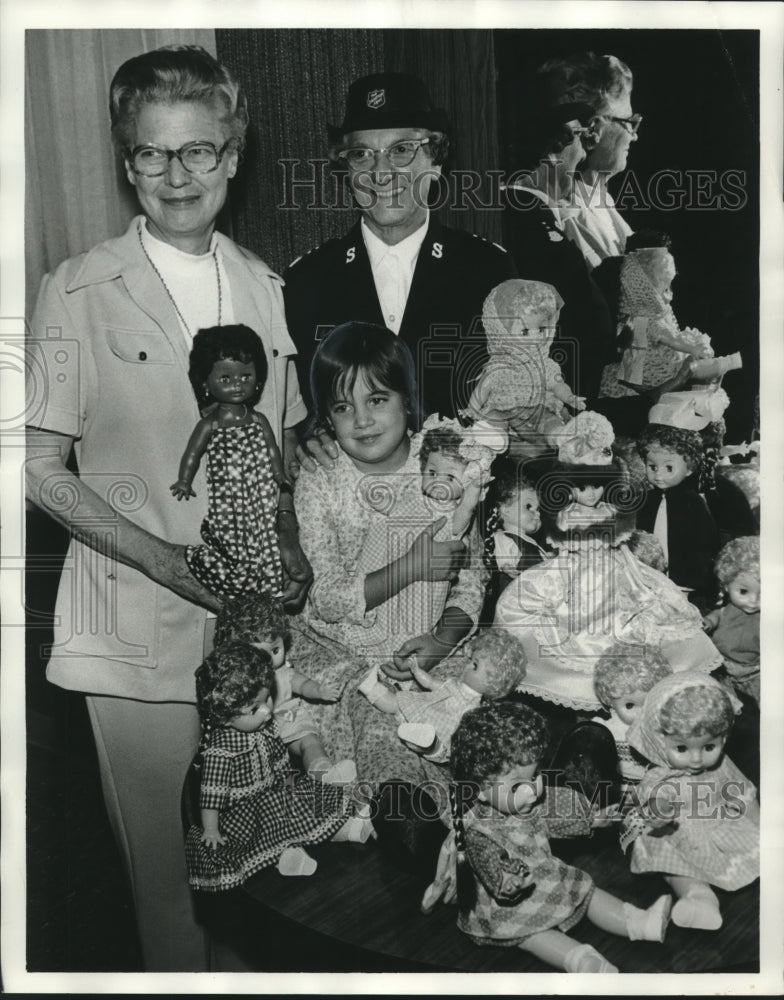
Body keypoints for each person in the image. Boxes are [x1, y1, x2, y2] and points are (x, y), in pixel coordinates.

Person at [24, 45, 311, 971]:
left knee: (256, 858)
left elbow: (290, 460)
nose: (177, 174)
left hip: (255, 629)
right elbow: (37, 466)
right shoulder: (75, 288)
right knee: (164, 874)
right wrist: (164, 561)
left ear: (233, 155)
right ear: (126, 163)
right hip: (128, 620)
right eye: (152, 154)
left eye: (198, 151)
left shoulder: (270, 291)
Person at [290, 322, 486, 866]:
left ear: (408, 400)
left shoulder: (442, 464)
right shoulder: (322, 478)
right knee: (378, 725)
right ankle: (403, 814)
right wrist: (412, 566)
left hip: (427, 643)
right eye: (342, 408)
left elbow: (472, 574)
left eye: (377, 399)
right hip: (346, 647)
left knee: (468, 721)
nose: (362, 420)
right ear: (325, 417)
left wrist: (443, 638)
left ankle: (490, 820)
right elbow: (326, 597)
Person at [283, 71, 516, 426]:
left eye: (402, 150)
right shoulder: (306, 280)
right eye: (361, 154)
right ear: (346, 169)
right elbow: (294, 413)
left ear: (436, 162)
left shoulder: (487, 271)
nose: (381, 172)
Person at [447, 701, 672, 973]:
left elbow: (559, 816)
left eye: (536, 775)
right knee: (533, 935)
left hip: (548, 874)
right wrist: (506, 881)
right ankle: (581, 961)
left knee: (588, 891)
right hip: (509, 903)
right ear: (479, 790)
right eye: (518, 786)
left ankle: (639, 922)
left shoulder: (531, 802)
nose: (533, 790)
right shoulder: (479, 829)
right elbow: (488, 859)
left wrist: (593, 818)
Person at [184, 642, 369, 890]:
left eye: (267, 699)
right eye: (254, 708)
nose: (267, 711)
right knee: (267, 833)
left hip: (275, 789)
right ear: (223, 716)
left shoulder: (264, 724)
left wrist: (287, 781)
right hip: (246, 809)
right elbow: (211, 794)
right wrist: (210, 828)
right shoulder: (221, 750)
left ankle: (347, 829)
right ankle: (286, 858)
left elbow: (278, 756)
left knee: (306, 808)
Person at [623, 672, 759, 930]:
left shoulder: (722, 766)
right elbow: (651, 797)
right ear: (658, 743)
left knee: (759, 846)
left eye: (709, 747)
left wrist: (761, 824)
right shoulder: (661, 776)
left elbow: (743, 795)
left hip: (716, 825)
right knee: (676, 869)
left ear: (724, 738)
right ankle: (698, 897)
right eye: (682, 749)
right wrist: (659, 809)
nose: (696, 759)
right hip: (675, 834)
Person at [501, 95, 614, 402]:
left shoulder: (536, 214)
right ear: (550, 151)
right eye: (579, 140)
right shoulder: (522, 216)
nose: (584, 155)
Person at [171, 324, 288, 600]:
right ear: (205, 382)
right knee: (230, 536)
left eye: (246, 376)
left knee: (262, 534)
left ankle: (265, 583)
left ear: (258, 378)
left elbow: (272, 448)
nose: (238, 384)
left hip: (259, 489)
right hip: (228, 492)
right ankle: (233, 579)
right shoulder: (211, 423)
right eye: (226, 378)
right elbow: (193, 453)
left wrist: (279, 474)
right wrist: (184, 480)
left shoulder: (258, 419)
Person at [214, 592, 355, 780]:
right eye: (258, 654)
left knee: (310, 742)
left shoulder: (281, 672)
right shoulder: (238, 680)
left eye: (275, 650)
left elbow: (302, 684)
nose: (269, 660)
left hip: (286, 716)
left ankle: (324, 773)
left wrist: (319, 690)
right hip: (254, 725)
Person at [358, 628, 527, 764]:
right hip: (426, 708)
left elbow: (464, 734)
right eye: (470, 660)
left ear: (493, 683)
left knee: (435, 743)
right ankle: (370, 687)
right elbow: (430, 683)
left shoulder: (473, 710)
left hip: (441, 731)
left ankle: (427, 744)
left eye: (474, 666)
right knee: (397, 702)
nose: (467, 666)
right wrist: (417, 671)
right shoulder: (455, 684)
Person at [535, 52, 639, 268]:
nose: (634, 134)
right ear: (594, 130)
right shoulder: (568, 218)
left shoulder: (601, 203)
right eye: (628, 122)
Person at [462, 278, 585, 453]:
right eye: (525, 331)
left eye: (541, 329)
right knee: (492, 417)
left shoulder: (545, 364)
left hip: (537, 408)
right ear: (502, 332)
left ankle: (559, 435)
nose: (535, 337)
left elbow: (556, 384)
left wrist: (569, 396)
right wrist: (472, 409)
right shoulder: (498, 366)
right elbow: (482, 389)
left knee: (548, 420)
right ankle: (495, 437)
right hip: (502, 410)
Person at [703, 536, 760, 706]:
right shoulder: (728, 610)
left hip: (754, 671)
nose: (753, 601)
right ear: (726, 585)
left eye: (763, 594)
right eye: (744, 591)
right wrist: (708, 621)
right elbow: (717, 615)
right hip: (722, 666)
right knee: (718, 700)